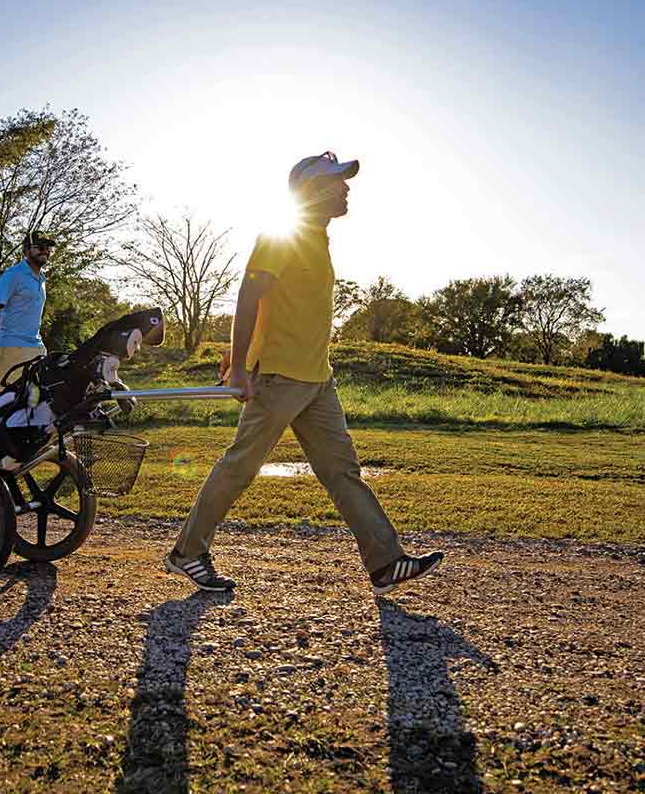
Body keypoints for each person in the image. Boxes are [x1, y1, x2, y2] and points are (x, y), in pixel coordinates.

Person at [165, 153, 444, 596]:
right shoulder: (280, 236)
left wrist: (241, 353)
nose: (347, 189)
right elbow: (249, 295)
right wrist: (239, 364)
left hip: (317, 380)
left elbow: (282, 307)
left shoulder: (317, 239)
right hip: (278, 377)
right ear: (313, 190)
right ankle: (187, 552)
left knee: (343, 472)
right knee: (240, 466)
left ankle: (386, 562)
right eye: (338, 182)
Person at [0, 231, 56, 391]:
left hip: (37, 347)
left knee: (35, 401)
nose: (44, 251)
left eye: (47, 247)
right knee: (2, 401)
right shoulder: (13, 274)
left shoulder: (42, 278)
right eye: (39, 247)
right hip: (11, 347)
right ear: (25, 251)